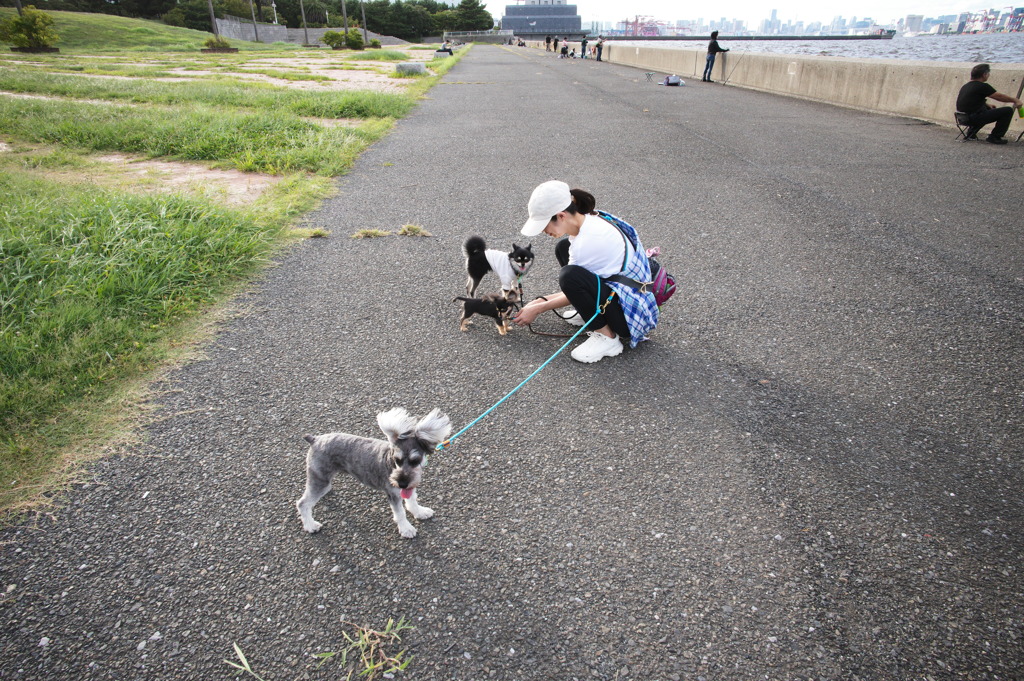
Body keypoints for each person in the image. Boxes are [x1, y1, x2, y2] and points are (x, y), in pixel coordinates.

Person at [513, 181, 659, 364]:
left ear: (561, 215)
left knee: (569, 276)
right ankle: (591, 313)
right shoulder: (591, 219)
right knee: (563, 248)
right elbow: (593, 280)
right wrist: (541, 300)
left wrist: (538, 308)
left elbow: (574, 283)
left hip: (630, 316)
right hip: (630, 293)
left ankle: (607, 338)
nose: (544, 231)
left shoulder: (589, 241)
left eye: (544, 225)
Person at [956, 63, 1022, 145]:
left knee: (987, 109)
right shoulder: (982, 86)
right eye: (988, 73)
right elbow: (999, 97)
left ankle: (971, 133)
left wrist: (987, 105)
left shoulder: (966, 86)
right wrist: (1015, 100)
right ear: (984, 74)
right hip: (973, 118)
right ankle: (995, 137)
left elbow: (971, 101)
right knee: (1007, 111)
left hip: (962, 118)